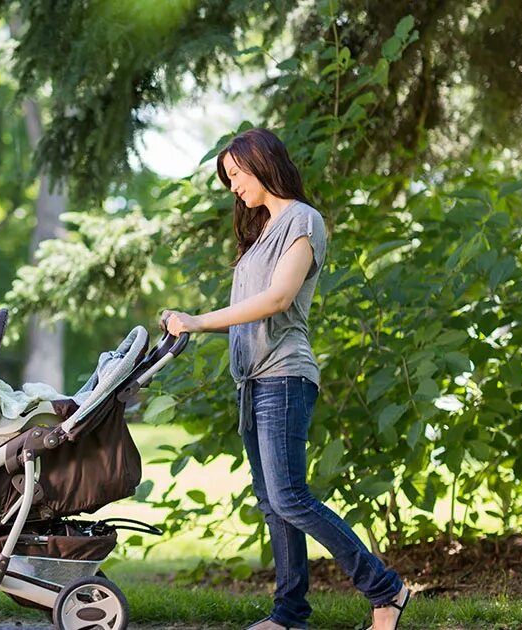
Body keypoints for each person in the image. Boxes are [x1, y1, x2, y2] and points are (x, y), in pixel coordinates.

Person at [160, 128, 412, 630]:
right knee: (274, 506)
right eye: (227, 179)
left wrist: (198, 320)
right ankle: (290, 613)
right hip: (253, 383)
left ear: (263, 164)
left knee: (291, 497)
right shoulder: (259, 236)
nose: (233, 187)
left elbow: (277, 299)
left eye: (236, 175)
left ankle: (386, 589)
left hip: (284, 376)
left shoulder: (303, 219)